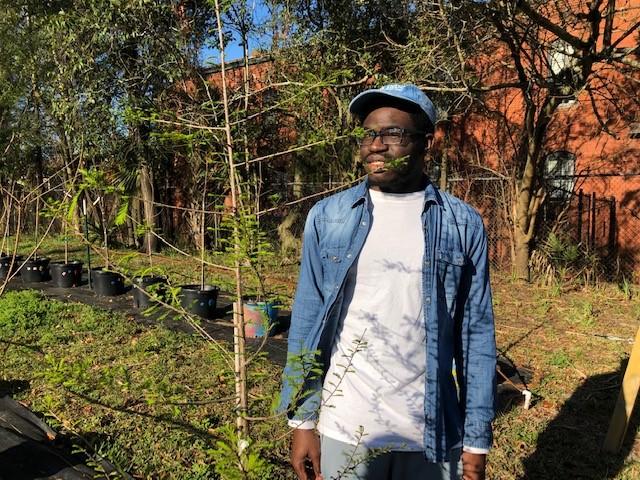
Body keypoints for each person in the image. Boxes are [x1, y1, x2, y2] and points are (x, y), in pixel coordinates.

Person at [278, 83, 496, 480]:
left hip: (431, 435)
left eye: (393, 133)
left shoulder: (462, 224)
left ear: (427, 142)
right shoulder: (329, 218)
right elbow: (307, 323)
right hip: (346, 427)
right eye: (368, 133)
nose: (376, 145)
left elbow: (476, 338)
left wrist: (476, 440)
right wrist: (302, 421)